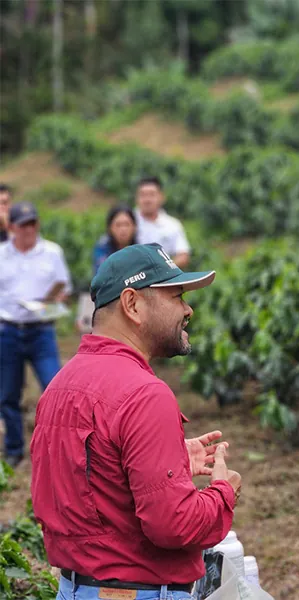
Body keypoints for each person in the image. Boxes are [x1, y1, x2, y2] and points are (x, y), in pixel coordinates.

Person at [30, 243, 241, 597]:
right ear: (132, 304)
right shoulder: (144, 394)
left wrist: (165, 460)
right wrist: (224, 492)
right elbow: (174, 525)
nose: (187, 309)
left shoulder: (60, 386)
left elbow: (89, 490)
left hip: (74, 589)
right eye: (176, 296)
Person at [0, 202, 72, 468]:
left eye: (33, 224)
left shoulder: (52, 253)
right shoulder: (1, 254)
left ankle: (58, 449)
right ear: (11, 228)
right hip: (8, 331)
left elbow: (64, 287)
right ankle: (15, 449)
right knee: (7, 394)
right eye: (23, 225)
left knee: (54, 389)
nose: (29, 230)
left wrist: (56, 299)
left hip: (41, 331)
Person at [135, 176, 191, 269]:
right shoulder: (127, 222)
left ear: (161, 197)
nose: (147, 200)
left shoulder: (172, 225)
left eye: (152, 194)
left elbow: (183, 256)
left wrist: (163, 268)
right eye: (143, 195)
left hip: (164, 278)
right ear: (136, 198)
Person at [93, 205, 138, 274]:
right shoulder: (102, 249)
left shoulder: (141, 250)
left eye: (127, 224)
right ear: (110, 228)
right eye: (118, 225)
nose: (123, 229)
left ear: (134, 227)